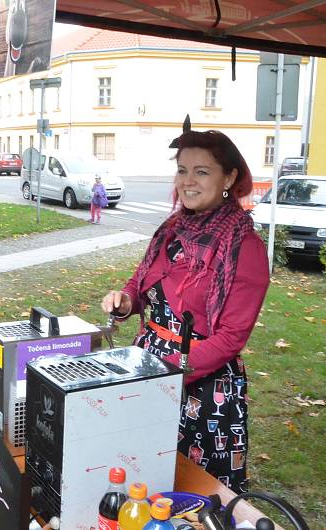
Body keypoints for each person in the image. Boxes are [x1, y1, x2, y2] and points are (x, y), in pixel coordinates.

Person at [101, 129, 269, 493]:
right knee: (139, 478)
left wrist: (165, 373)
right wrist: (127, 301)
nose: (187, 182)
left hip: (201, 388)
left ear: (230, 177)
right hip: (148, 368)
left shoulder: (246, 248)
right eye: (181, 170)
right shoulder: (172, 230)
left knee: (192, 493)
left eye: (202, 171)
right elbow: (141, 285)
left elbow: (230, 339)